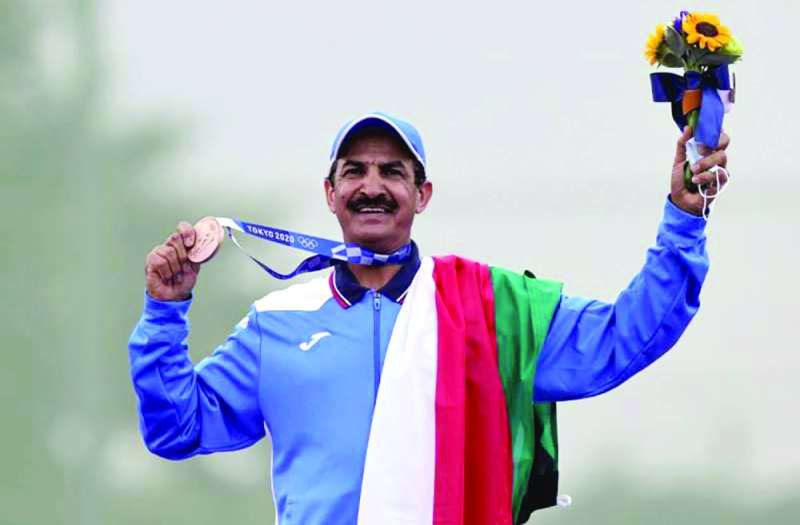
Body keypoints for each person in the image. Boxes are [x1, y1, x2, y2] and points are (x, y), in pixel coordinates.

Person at [128, 112, 729, 525]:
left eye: (392, 171)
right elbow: (176, 428)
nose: (372, 186)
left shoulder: (491, 310)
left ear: (423, 194)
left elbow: (624, 337)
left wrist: (683, 217)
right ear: (330, 193)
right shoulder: (276, 323)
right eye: (354, 171)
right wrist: (165, 313)